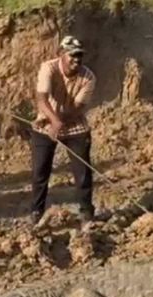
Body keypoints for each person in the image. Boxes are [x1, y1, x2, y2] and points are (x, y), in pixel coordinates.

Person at [30, 35, 96, 224]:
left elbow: (77, 108)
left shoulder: (89, 77)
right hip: (45, 125)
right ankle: (36, 211)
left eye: (80, 56)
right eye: (72, 55)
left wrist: (58, 122)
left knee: (82, 173)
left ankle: (86, 212)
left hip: (75, 126)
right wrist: (52, 121)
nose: (76, 60)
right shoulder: (48, 68)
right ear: (60, 54)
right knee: (39, 173)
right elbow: (41, 98)